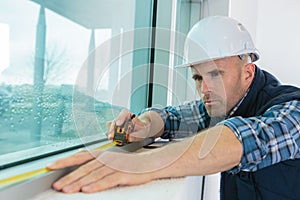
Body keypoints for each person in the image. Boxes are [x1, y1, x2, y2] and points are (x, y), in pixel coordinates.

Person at [47, 16, 300, 199]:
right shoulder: (223, 105)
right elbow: (173, 117)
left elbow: (248, 139)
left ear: (247, 72)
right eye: (198, 78)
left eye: (215, 75)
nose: (205, 90)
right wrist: (143, 126)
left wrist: (146, 163)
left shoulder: (292, 111)